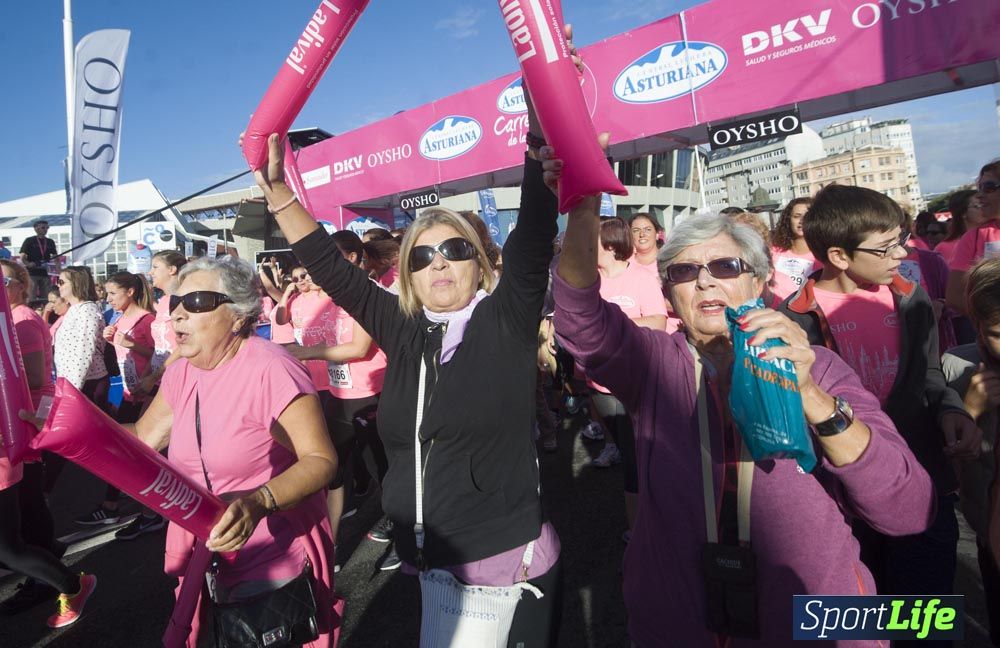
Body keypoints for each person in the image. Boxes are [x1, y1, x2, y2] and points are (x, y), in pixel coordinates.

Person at [253, 84, 564, 644]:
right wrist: (279, 194)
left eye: (455, 250)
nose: (439, 263)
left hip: (503, 563)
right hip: (430, 560)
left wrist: (542, 102)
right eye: (422, 255)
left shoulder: (507, 317)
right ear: (409, 274)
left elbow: (535, 235)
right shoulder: (402, 327)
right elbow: (331, 267)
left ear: (480, 262)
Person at [553, 196, 934, 645]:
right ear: (669, 292)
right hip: (680, 618)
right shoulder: (654, 365)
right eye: (684, 272)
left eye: (726, 266)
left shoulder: (821, 366)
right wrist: (581, 210)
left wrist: (811, 396)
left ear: (759, 280)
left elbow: (907, 508)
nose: (705, 282)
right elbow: (579, 316)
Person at [106, 256, 338, 646]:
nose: (177, 314)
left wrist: (259, 501)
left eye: (195, 302)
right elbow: (144, 439)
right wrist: (65, 431)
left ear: (237, 315)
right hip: (199, 553)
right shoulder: (182, 371)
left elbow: (321, 460)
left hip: (269, 551)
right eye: (175, 302)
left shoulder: (271, 369)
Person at [782, 184, 979, 618]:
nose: (902, 254)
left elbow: (928, 375)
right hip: (844, 495)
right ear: (838, 255)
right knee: (861, 618)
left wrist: (950, 409)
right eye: (887, 246)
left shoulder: (911, 296)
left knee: (925, 616)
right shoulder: (793, 317)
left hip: (922, 476)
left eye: (902, 239)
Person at [0, 259, 97, 628]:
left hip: (20, 424)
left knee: (17, 530)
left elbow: (36, 374)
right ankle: (48, 566)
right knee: (25, 514)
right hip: (18, 425)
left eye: (3, 280)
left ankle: (57, 576)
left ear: (20, 284)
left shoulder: (19, 317)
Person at [286, 231, 391, 568]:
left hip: (372, 394)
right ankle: (327, 551)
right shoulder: (325, 297)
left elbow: (360, 348)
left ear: (353, 259)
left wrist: (305, 352)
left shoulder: (368, 292)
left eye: (331, 258)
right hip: (337, 394)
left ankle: (409, 535)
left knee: (385, 472)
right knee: (332, 472)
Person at [586, 218, 667, 542]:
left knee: (636, 460)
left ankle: (641, 533)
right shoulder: (590, 282)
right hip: (600, 383)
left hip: (637, 381)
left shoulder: (642, 278)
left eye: (592, 242)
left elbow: (658, 322)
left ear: (609, 245)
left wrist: (615, 325)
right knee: (625, 449)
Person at [941, 257, 1000, 646]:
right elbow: (944, 476)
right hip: (987, 539)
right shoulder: (957, 368)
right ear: (976, 326)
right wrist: (969, 412)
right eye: (997, 332)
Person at [49, 267, 110, 497]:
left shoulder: (87, 312)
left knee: (75, 440)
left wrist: (69, 393)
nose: (58, 285)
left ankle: (117, 491)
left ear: (76, 283)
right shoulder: (74, 310)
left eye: (62, 281)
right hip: (75, 385)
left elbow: (83, 354)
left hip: (87, 386)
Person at [945, 159, 1000, 316]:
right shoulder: (973, 237)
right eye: (979, 188)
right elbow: (954, 297)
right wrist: (991, 321)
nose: (979, 196)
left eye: (988, 188)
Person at [134, 249, 188, 398]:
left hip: (179, 380)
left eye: (155, 267)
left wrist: (153, 377)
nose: (151, 272)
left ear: (172, 270)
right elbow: (160, 346)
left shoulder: (183, 300)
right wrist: (145, 378)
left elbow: (185, 345)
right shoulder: (164, 301)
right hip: (159, 381)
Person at [770, 198, 821, 301]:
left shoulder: (823, 256)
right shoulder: (773, 252)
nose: (802, 221)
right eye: (797, 216)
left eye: (807, 216)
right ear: (788, 220)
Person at [935, 189, 982, 265]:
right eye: (978, 206)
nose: (983, 209)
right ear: (963, 212)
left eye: (984, 204)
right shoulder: (943, 248)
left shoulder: (991, 239)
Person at [19, 221, 57, 300]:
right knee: (31, 297)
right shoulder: (29, 240)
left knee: (46, 297)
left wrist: (58, 269)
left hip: (45, 273)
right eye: (43, 227)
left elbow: (55, 257)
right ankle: (31, 310)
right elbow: (22, 257)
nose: (45, 229)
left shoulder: (50, 242)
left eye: (47, 227)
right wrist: (28, 263)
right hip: (32, 273)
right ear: (36, 229)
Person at [626, 212, 662, 277]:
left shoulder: (667, 261)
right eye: (636, 230)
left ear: (657, 234)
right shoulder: (624, 263)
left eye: (648, 229)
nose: (642, 234)